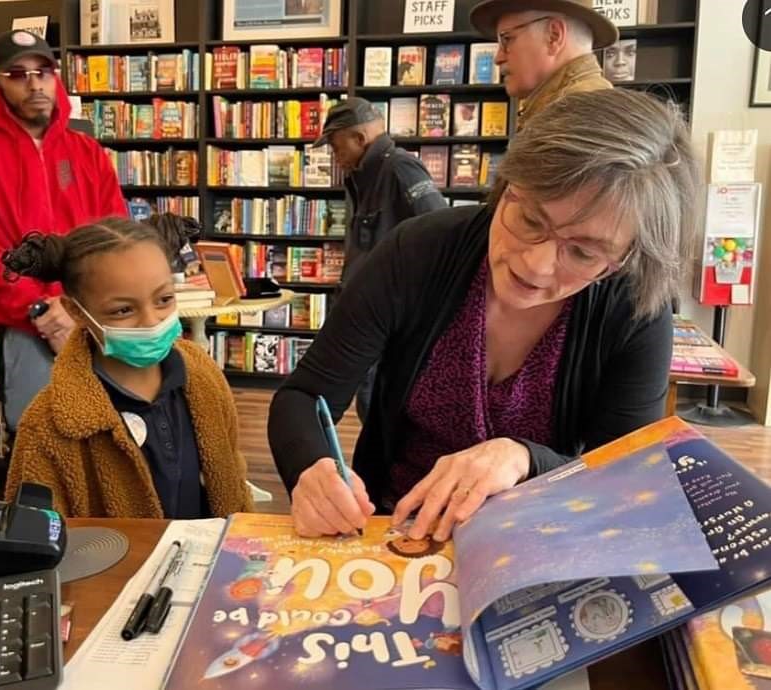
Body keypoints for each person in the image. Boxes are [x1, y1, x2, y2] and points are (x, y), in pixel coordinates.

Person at [267, 89, 702, 542]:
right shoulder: (417, 253)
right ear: (507, 184)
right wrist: (311, 468)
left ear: (625, 257)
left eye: (582, 252)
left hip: (541, 538)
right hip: (392, 529)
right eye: (530, 219)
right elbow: (302, 397)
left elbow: (628, 479)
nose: (536, 264)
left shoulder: (634, 309)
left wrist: (524, 459)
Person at [1, 217, 252, 518]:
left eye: (164, 299)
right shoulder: (46, 428)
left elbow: (231, 481)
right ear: (75, 311)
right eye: (123, 310)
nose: (151, 321)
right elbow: (36, 540)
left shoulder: (203, 377)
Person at [0, 30, 126, 432]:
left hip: (96, 320)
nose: (34, 83)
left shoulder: (86, 152)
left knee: (121, 436)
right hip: (28, 326)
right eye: (17, 74)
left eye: (43, 71)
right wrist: (46, 314)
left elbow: (118, 240)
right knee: (40, 442)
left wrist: (80, 311)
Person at [314, 96, 448, 420]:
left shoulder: (399, 167)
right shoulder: (366, 176)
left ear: (359, 138)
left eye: (336, 146)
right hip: (369, 312)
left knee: (377, 400)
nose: (335, 155)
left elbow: (441, 232)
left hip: (392, 316)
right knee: (368, 398)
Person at [469, 0, 618, 131]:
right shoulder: (582, 109)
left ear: (554, 36)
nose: (498, 58)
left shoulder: (575, 118)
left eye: (507, 39)